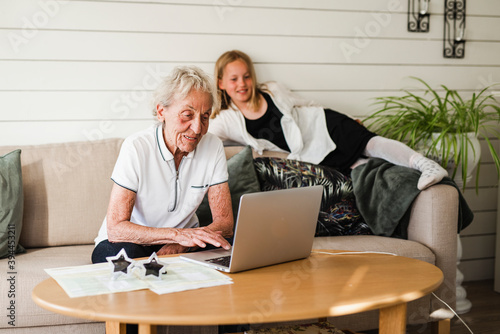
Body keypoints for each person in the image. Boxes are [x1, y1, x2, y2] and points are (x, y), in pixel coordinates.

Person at [209, 50, 448, 190]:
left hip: (325, 124)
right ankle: (411, 178)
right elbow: (205, 137)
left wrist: (345, 120)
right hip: (313, 153)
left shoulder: (272, 90)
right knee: (362, 168)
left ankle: (426, 164)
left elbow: (308, 104)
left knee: (371, 144)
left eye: (246, 76)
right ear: (221, 83)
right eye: (234, 79)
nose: (242, 84)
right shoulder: (227, 119)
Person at [91, 65, 233, 264]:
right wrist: (176, 235)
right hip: (134, 241)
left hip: (187, 241)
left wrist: (183, 243)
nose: (197, 128)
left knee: (231, 244)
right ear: (161, 112)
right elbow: (116, 228)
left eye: (205, 116)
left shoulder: (213, 146)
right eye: (187, 115)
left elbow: (225, 223)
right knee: (117, 256)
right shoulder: (136, 147)